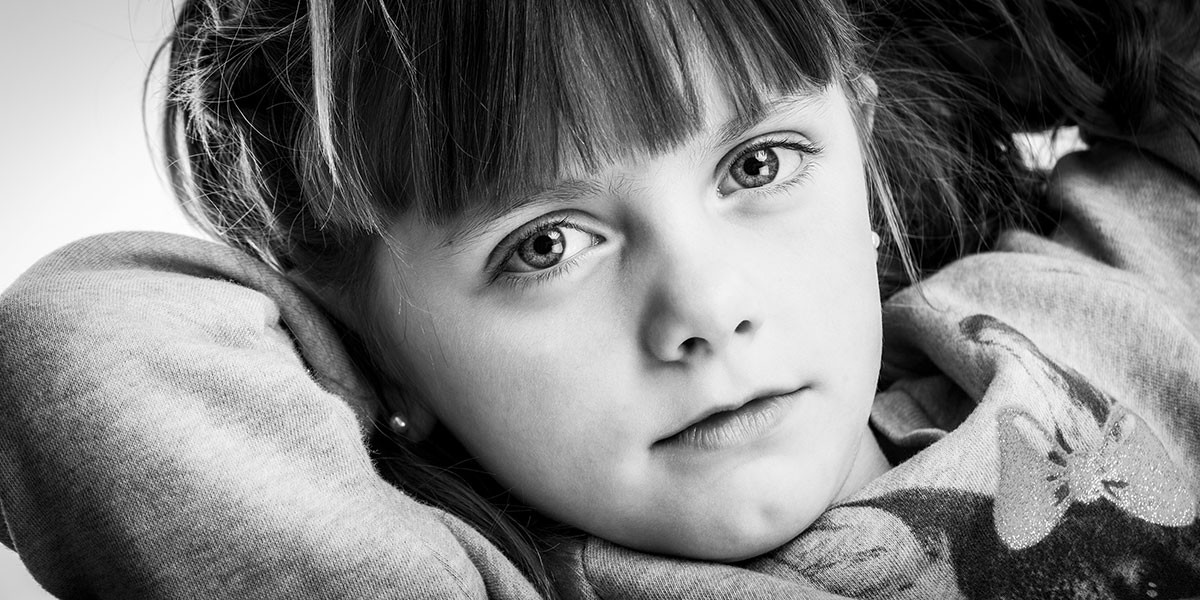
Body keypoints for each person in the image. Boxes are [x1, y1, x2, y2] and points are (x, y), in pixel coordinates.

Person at [2, 0, 1198, 598]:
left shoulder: (1084, 306)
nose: (707, 307)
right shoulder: (473, 576)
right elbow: (76, 346)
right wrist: (374, 359)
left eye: (760, 164)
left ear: (864, 143)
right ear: (372, 339)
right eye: (545, 244)